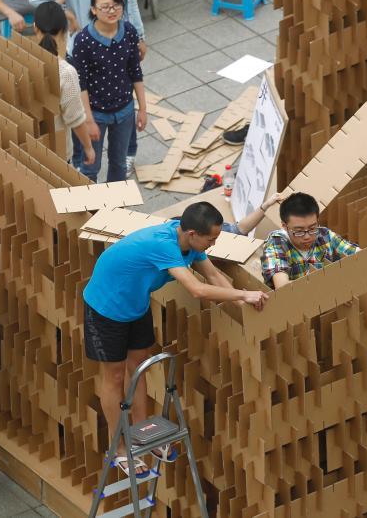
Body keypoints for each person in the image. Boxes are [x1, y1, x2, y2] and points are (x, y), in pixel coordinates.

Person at [83, 202, 269, 477]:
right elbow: (196, 289)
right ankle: (119, 448)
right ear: (192, 233)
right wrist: (243, 295)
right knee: (114, 377)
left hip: (135, 305)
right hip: (106, 308)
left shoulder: (191, 243)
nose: (213, 244)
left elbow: (214, 275)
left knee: (140, 366)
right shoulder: (164, 245)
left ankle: (141, 434)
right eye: (211, 239)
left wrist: (244, 309)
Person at [30, 0, 147, 178]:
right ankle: (85, 163)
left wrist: (140, 36)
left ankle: (126, 156)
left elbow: (130, 4)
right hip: (88, 46)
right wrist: (67, 14)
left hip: (120, 39)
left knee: (123, 94)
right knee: (87, 100)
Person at [69, 0, 147, 183]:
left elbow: (135, 71)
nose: (112, 11)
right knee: (90, 165)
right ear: (94, 9)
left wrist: (143, 109)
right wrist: (88, 120)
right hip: (96, 113)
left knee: (119, 163)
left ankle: (115, 210)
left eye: (116, 5)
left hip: (125, 110)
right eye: (105, 7)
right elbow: (81, 84)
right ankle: (89, 211)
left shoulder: (129, 31)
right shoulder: (83, 40)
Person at [32, 2, 96, 167]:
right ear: (65, 30)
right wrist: (88, 148)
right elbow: (75, 119)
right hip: (57, 152)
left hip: (28, 147)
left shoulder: (23, 57)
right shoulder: (65, 72)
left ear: (34, 27)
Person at [261, 192, 359, 288]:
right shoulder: (276, 244)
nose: (307, 236)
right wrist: (332, 286)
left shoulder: (324, 235)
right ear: (284, 226)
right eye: (299, 231)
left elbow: (360, 255)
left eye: (312, 228)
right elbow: (283, 287)